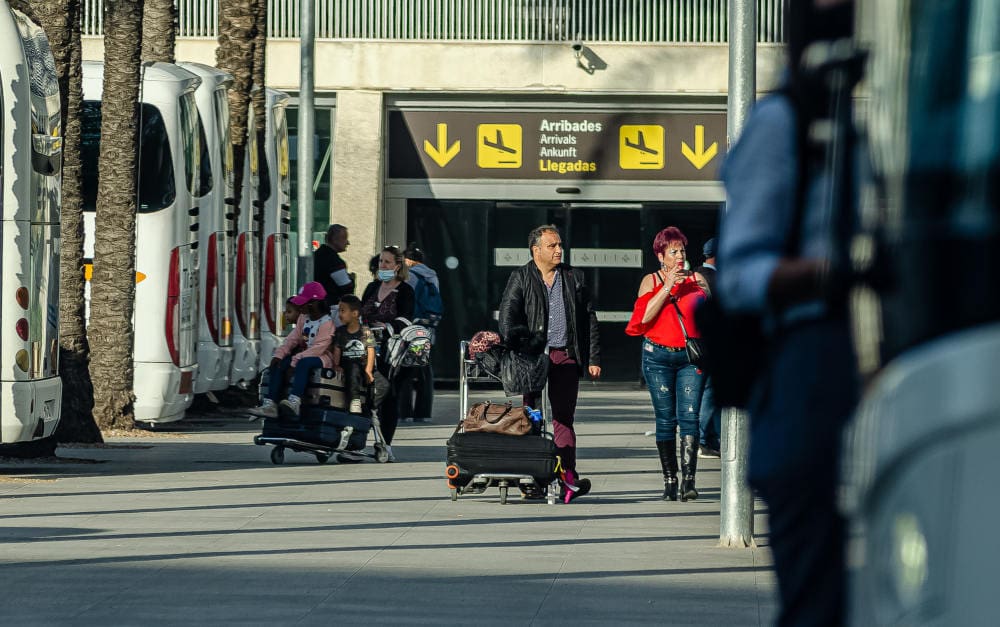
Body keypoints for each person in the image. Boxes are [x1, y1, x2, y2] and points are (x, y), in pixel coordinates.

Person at [716, 1, 858, 624]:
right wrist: (840, 272)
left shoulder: (845, 122)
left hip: (840, 381)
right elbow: (740, 275)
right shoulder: (784, 122)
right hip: (795, 372)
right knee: (812, 596)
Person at [498, 224, 601, 503]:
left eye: (559, 245)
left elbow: (588, 318)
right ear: (536, 250)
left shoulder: (573, 277)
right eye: (552, 246)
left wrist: (592, 358)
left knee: (563, 418)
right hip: (532, 359)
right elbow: (507, 321)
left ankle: (568, 476)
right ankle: (532, 477)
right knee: (531, 416)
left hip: (564, 355)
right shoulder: (520, 277)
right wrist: (524, 345)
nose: (558, 250)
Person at [625, 226, 709, 501]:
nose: (679, 256)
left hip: (689, 357)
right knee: (665, 419)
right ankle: (670, 480)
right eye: (673, 251)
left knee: (689, 416)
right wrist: (668, 286)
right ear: (661, 255)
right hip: (657, 356)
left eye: (682, 250)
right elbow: (642, 319)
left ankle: (689, 481)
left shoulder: (697, 279)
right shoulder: (650, 281)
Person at [249, 282, 335, 419]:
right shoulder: (303, 318)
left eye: (303, 303)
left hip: (321, 357)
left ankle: (295, 400)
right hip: (303, 354)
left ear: (313, 304)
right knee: (280, 363)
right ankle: (270, 404)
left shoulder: (327, 323)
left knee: (304, 363)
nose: (300, 307)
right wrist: (279, 355)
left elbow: (319, 348)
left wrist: (295, 361)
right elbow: (292, 339)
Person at [360, 246, 415, 445]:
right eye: (381, 261)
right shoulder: (372, 287)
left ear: (397, 266)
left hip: (390, 350)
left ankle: (385, 443)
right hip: (365, 345)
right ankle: (357, 436)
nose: (382, 265)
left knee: (388, 394)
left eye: (387, 262)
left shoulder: (405, 290)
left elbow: (407, 319)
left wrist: (388, 327)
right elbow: (360, 311)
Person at [401, 244, 441, 423]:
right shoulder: (432, 275)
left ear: (408, 260)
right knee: (424, 370)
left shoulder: (411, 276)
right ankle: (423, 412)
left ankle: (405, 412)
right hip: (428, 329)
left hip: (411, 329)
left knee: (406, 371)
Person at [694, 238, 721, 458]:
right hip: (710, 345)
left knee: (702, 391)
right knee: (710, 392)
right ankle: (703, 439)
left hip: (693, 344)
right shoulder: (716, 279)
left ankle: (706, 438)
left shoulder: (693, 274)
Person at [332, 295, 376, 414]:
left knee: (381, 383)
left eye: (343, 310)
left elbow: (371, 350)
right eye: (339, 310)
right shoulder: (340, 332)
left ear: (355, 313)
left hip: (364, 364)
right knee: (353, 370)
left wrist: (368, 370)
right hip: (348, 364)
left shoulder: (365, 331)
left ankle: (371, 406)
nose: (339, 314)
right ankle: (355, 401)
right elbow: (337, 349)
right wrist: (336, 365)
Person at [313, 224, 354, 316]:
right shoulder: (334, 261)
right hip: (329, 310)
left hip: (315, 308)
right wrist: (352, 279)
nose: (348, 243)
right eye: (345, 238)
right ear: (335, 240)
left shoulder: (316, 255)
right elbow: (346, 287)